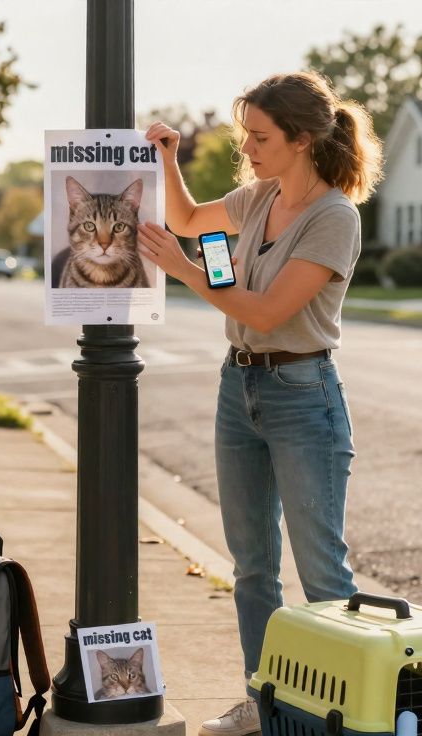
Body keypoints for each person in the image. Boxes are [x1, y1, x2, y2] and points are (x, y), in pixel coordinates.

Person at [136, 71, 383, 736]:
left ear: (302, 140)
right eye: (246, 133)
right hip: (237, 388)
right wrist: (167, 158)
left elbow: (270, 312)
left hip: (304, 398)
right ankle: (264, 703)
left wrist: (184, 271)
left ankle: (344, 718)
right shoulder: (259, 198)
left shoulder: (335, 218)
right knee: (251, 567)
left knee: (322, 572)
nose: (246, 146)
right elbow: (188, 221)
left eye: (260, 136)